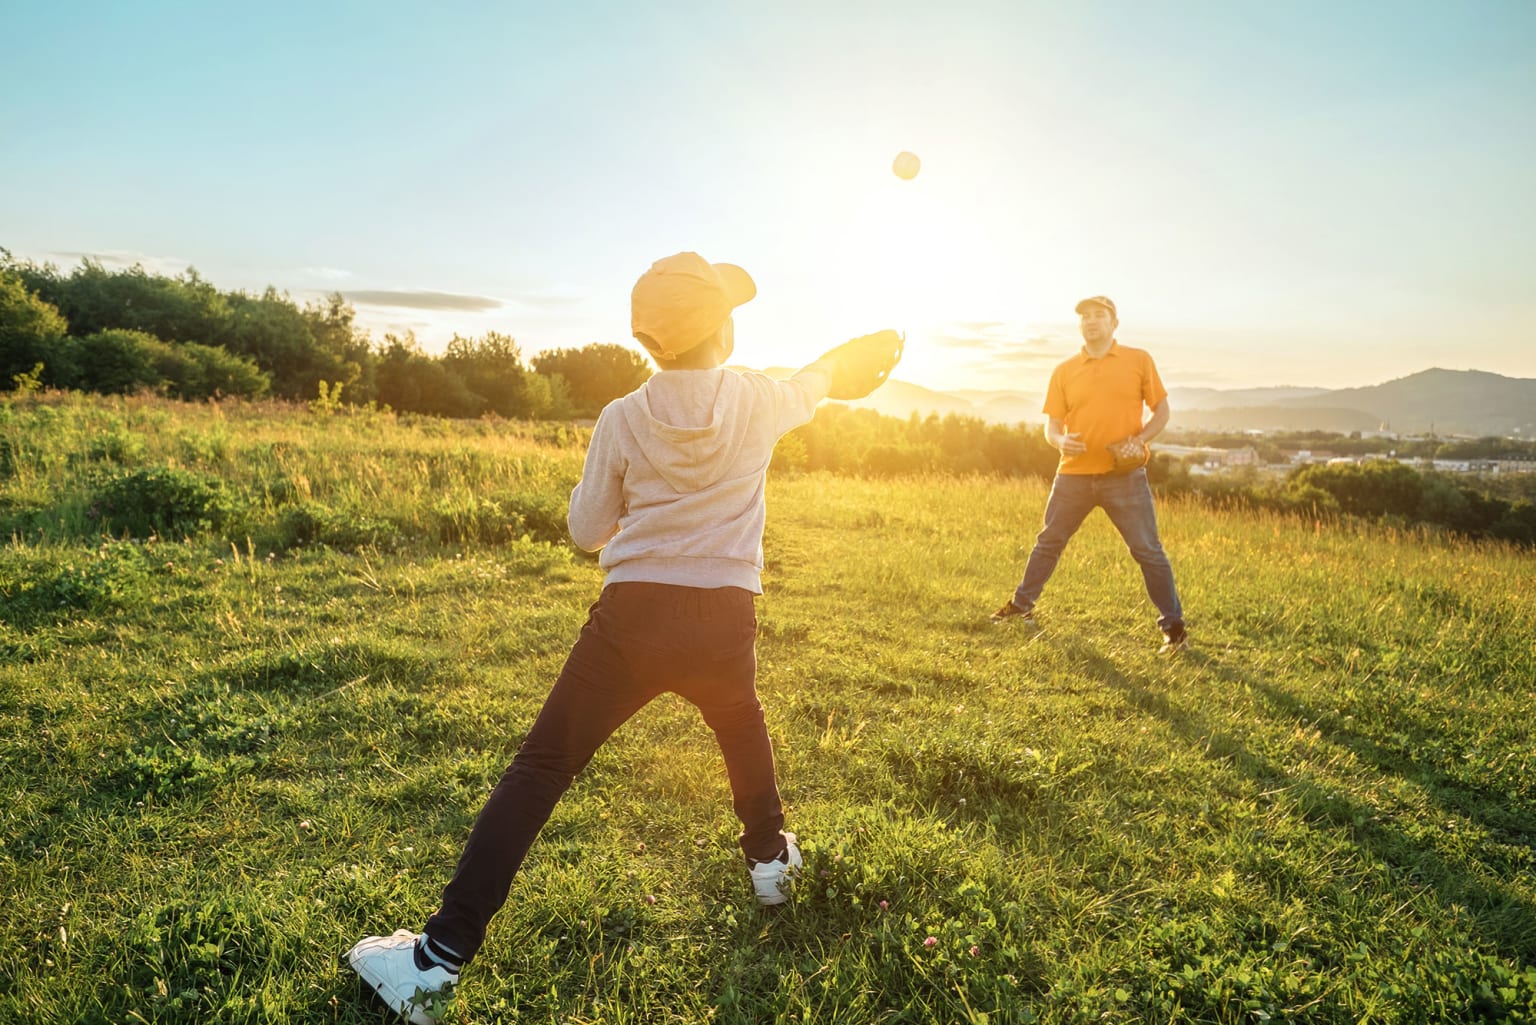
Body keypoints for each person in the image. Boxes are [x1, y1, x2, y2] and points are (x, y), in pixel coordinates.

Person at [347, 252, 884, 1025]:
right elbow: (816, 385)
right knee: (740, 719)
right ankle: (770, 861)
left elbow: (585, 529)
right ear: (724, 331)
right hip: (725, 612)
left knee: (542, 767)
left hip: (633, 619)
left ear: (650, 343)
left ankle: (435, 960)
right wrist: (845, 360)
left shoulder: (622, 417)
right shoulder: (760, 400)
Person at [990, 295, 1187, 654]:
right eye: (1085, 317)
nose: (1091, 321)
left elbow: (1162, 410)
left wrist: (1140, 439)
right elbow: (1051, 426)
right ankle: (1021, 607)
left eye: (1100, 315)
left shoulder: (1138, 360)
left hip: (1124, 477)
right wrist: (1060, 440)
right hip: (1073, 477)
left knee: (1147, 550)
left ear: (1115, 323)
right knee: (1048, 542)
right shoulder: (1064, 370)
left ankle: (1173, 628)